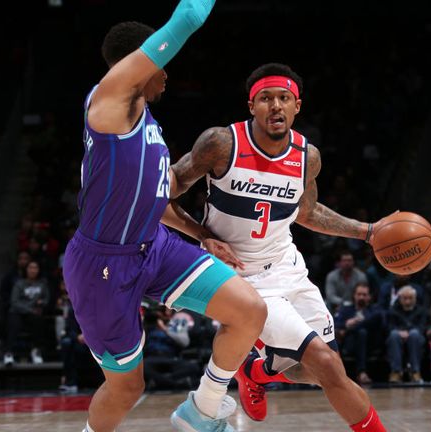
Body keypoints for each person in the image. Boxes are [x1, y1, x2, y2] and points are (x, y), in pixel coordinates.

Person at [61, 3, 268, 431]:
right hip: (102, 264)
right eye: (162, 60)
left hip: (152, 246)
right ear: (141, 60)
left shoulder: (148, 123)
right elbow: (188, 17)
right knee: (126, 389)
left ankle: (202, 411)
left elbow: (156, 196)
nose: (168, 71)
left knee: (249, 310)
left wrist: (200, 234)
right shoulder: (108, 102)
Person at [168, 63, 388, 431]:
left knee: (326, 373)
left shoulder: (307, 157)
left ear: (297, 106)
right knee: (328, 366)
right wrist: (201, 234)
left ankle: (257, 371)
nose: (275, 106)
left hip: (288, 267)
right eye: (266, 98)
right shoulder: (220, 144)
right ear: (251, 105)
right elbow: (159, 195)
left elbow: (308, 212)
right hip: (242, 279)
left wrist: (367, 231)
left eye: (284, 98)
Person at [3, 260, 51, 366]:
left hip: (34, 313)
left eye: (35, 268)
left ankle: (36, 351)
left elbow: (46, 299)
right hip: (18, 312)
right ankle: (8, 353)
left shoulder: (42, 284)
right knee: (13, 323)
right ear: (26, 269)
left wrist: (41, 303)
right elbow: (14, 302)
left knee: (39, 320)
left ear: (39, 270)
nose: (33, 270)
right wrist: (30, 308)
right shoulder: (19, 284)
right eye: (30, 267)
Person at [334, 282, 383, 385]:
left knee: (362, 332)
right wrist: (346, 324)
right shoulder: (346, 310)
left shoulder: (375, 311)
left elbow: (376, 323)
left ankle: (361, 372)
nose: (361, 297)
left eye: (364, 295)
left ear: (369, 297)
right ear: (354, 295)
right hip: (349, 345)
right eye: (359, 294)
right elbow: (336, 325)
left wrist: (348, 328)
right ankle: (335, 373)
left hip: (370, 345)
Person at [386, 286, 429, 384]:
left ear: (415, 298)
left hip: (415, 336)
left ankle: (415, 371)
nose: (407, 301)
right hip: (398, 336)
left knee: (414, 334)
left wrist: (409, 332)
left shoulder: (422, 310)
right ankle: (396, 372)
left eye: (410, 298)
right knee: (393, 335)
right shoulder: (393, 310)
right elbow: (389, 327)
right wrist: (400, 332)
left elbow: (423, 327)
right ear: (399, 299)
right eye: (404, 298)